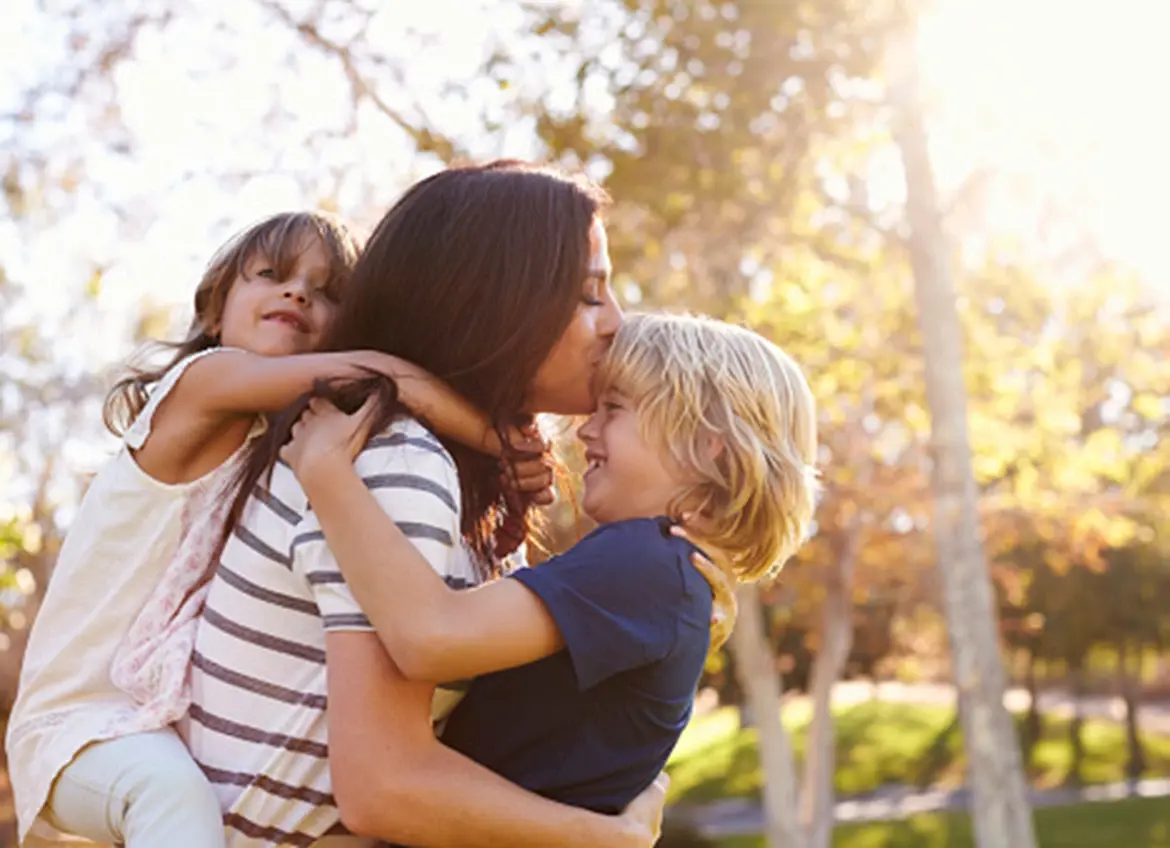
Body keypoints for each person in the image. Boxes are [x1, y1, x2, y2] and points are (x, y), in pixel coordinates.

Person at [4, 211, 539, 848]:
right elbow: (378, 377)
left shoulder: (284, 447)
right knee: (170, 796)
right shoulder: (200, 384)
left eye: (327, 291)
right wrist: (500, 443)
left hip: (153, 719)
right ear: (212, 311)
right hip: (78, 722)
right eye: (272, 276)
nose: (298, 294)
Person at [186, 161, 677, 847]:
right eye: (589, 294)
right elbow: (385, 789)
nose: (615, 323)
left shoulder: (429, 463)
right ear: (498, 301)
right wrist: (608, 839)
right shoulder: (396, 460)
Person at [282, 311, 820, 819]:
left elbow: (431, 634)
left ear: (709, 449)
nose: (585, 431)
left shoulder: (646, 560)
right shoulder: (666, 573)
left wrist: (325, 471)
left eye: (615, 408)